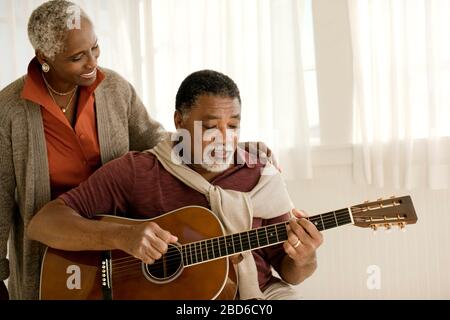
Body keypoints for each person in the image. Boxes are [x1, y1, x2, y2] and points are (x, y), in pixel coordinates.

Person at [27, 70, 323, 300]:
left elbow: (292, 272)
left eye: (233, 126)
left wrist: (305, 257)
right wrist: (122, 236)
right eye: (209, 127)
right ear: (179, 122)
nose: (224, 139)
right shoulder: (138, 170)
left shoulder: (261, 175)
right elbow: (43, 224)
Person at [0, 0, 166, 300]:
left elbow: (156, 144)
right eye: (77, 57)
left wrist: (233, 152)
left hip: (120, 251)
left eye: (95, 48)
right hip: (51, 255)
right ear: (44, 57)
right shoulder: (10, 109)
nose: (92, 63)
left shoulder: (115, 88)